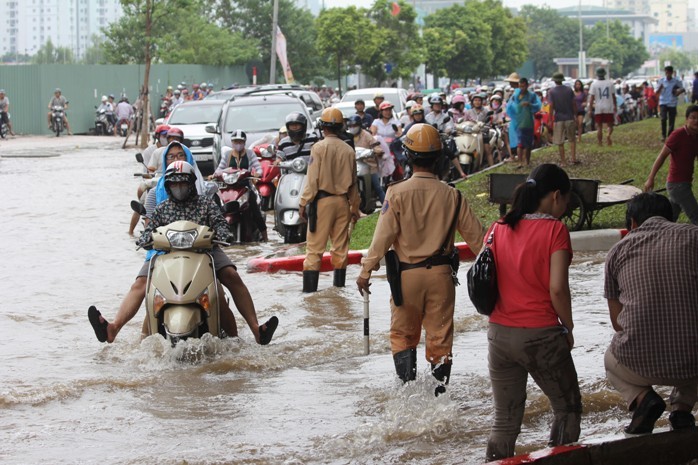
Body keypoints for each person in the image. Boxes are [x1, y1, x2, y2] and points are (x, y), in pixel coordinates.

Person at [89, 154, 277, 345]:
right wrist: (145, 239)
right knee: (141, 286)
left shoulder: (205, 204)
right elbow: (148, 231)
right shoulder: (162, 208)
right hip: (167, 256)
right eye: (174, 184)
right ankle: (113, 328)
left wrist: (221, 234)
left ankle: (256, 330)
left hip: (206, 253)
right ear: (168, 186)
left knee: (230, 277)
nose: (178, 187)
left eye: (183, 183)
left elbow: (222, 226)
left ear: (191, 183)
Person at [355, 123, 484, 396]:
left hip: (406, 278)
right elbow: (480, 242)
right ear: (438, 157)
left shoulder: (396, 193)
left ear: (408, 156)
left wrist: (367, 270)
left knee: (403, 336)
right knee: (440, 340)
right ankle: (439, 396)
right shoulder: (453, 195)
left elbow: (382, 238)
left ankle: (407, 394)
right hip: (441, 278)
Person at [484, 163, 581, 461]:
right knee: (568, 408)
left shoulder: (498, 227)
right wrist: (568, 326)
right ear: (555, 196)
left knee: (504, 421)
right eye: (566, 200)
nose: (565, 207)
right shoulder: (555, 230)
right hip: (541, 335)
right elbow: (557, 289)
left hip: (499, 336)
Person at [604, 192, 698, 434]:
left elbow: (617, 323)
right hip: (693, 361)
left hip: (638, 361)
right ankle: (681, 410)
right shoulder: (694, 236)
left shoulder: (616, 252)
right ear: (670, 218)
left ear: (633, 224)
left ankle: (643, 397)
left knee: (611, 360)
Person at [298, 108, 360, 292]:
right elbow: (354, 184)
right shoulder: (348, 150)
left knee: (315, 250)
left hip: (322, 203)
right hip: (342, 202)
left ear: (322, 127)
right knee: (340, 249)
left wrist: (303, 203)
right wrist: (355, 207)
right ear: (341, 127)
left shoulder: (318, 148)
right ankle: (339, 290)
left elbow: (312, 180)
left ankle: (309, 296)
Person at [644, 105, 698, 225]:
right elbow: (662, 156)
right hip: (677, 185)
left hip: (685, 184)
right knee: (696, 216)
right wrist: (651, 178)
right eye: (693, 117)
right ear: (686, 119)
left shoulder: (696, 137)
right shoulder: (678, 135)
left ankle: (656, 236)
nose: (696, 121)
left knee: (670, 219)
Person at [212, 129, 268, 241]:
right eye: (235, 141)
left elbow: (258, 167)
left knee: (255, 211)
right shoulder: (227, 154)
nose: (238, 144)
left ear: (244, 142)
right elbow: (219, 169)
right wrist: (214, 175)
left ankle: (265, 236)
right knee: (216, 206)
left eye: (240, 141)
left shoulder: (250, 153)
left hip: (245, 187)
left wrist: (258, 173)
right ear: (232, 142)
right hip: (228, 188)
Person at [347, 114, 386, 205]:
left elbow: (376, 146)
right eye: (350, 126)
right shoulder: (348, 136)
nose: (352, 128)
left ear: (359, 125)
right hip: (353, 167)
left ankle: (386, 207)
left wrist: (376, 151)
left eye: (354, 126)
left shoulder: (366, 135)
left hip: (369, 166)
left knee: (377, 188)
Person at [507, 78, 541, 167]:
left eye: (523, 86)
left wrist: (530, 105)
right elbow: (509, 107)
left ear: (527, 86)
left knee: (528, 143)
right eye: (520, 86)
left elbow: (538, 106)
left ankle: (527, 161)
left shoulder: (532, 96)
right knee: (520, 143)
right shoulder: (515, 96)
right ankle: (520, 161)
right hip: (518, 122)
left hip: (528, 121)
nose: (522, 88)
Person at [547, 72, 578, 166]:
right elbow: (574, 104)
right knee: (572, 139)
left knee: (560, 141)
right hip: (569, 117)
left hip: (558, 118)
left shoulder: (551, 92)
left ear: (554, 81)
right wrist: (575, 115)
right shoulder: (569, 90)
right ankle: (573, 158)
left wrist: (550, 119)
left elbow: (551, 106)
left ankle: (563, 161)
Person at [588, 68, 617, 146]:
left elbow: (591, 99)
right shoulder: (610, 83)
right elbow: (614, 96)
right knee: (610, 125)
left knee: (599, 127)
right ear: (605, 74)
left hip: (598, 107)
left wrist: (590, 110)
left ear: (597, 74)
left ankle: (600, 142)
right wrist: (615, 106)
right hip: (608, 106)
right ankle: (608, 135)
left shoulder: (594, 84)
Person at [656, 65, 685, 142]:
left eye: (669, 72)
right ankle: (663, 135)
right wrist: (660, 87)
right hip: (663, 102)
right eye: (666, 72)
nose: (667, 74)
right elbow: (656, 92)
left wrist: (678, 92)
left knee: (672, 120)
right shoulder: (661, 81)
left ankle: (670, 135)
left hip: (672, 102)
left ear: (671, 72)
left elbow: (682, 88)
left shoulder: (676, 81)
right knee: (663, 118)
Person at [504, 73, 521, 159]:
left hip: (517, 120)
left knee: (517, 140)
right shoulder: (517, 93)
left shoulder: (517, 94)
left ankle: (517, 158)